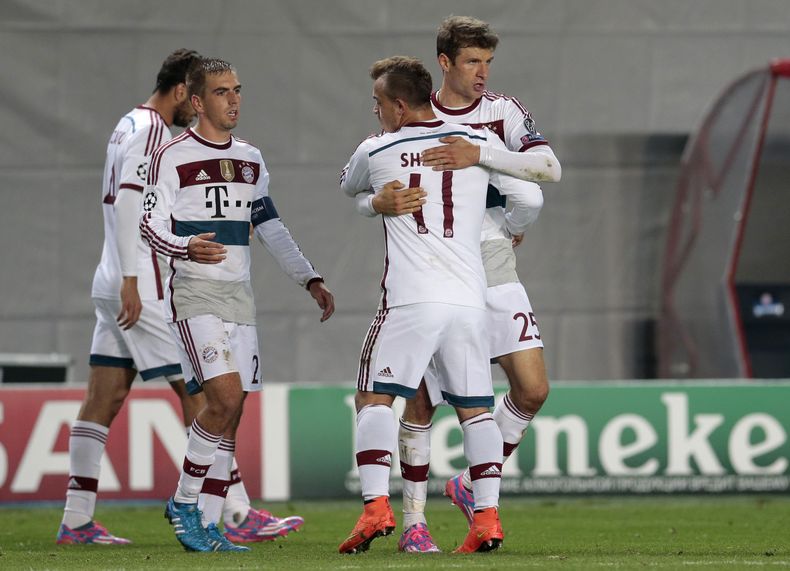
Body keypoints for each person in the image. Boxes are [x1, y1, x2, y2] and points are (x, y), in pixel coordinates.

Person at [55, 49, 304, 548]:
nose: (199, 109)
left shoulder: (128, 121)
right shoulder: (154, 134)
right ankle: (230, 511)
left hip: (111, 279)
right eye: (198, 99)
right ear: (179, 93)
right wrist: (132, 277)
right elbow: (132, 204)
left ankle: (76, 518)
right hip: (142, 284)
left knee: (104, 398)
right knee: (210, 396)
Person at [354, 15, 561, 544]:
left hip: (488, 260)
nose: (482, 72)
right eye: (472, 61)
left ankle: (470, 486)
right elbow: (368, 182)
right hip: (435, 265)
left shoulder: (500, 112)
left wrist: (489, 169)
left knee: (532, 389)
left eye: (488, 61)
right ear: (444, 63)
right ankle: (416, 523)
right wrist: (376, 203)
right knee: (422, 402)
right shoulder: (408, 115)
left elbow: (545, 172)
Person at [140, 57, 334, 553]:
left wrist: (308, 276)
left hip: (239, 297)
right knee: (222, 400)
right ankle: (185, 503)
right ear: (198, 102)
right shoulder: (171, 155)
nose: (234, 100)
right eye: (223, 92)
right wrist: (185, 248)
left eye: (238, 90)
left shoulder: (251, 158)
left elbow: (270, 225)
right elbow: (148, 225)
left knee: (232, 411)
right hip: (195, 293)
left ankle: (207, 526)